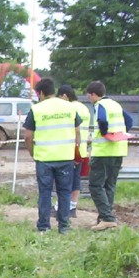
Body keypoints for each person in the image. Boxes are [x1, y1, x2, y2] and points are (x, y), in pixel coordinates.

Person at [23, 78, 81, 234]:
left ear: (41, 93)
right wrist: (75, 151)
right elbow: (77, 132)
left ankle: (43, 227)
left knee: (45, 193)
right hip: (65, 158)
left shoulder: (37, 109)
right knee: (64, 192)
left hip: (44, 159)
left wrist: (33, 153)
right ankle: (64, 227)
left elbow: (28, 136)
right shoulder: (70, 108)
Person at [85, 80, 133, 231]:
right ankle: (104, 217)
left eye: (89, 96)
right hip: (119, 149)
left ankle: (107, 218)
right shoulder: (115, 104)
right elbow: (129, 120)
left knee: (95, 185)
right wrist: (118, 133)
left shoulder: (100, 105)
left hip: (104, 151)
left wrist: (105, 133)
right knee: (109, 185)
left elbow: (102, 120)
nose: (89, 99)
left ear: (93, 94)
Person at [56, 84, 92, 218]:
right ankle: (72, 207)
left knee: (64, 181)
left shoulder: (69, 108)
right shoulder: (84, 108)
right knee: (76, 181)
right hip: (81, 150)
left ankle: (60, 208)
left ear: (65, 95)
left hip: (69, 150)